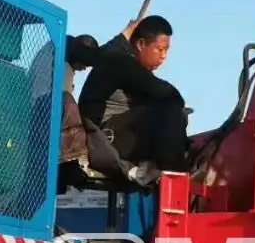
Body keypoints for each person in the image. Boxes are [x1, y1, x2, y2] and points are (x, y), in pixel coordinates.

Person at [77, 15, 188, 185]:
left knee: (175, 116)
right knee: (170, 112)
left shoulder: (129, 65)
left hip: (119, 134)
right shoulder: (120, 61)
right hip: (103, 139)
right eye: (159, 49)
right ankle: (175, 181)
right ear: (141, 44)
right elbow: (170, 94)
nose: (164, 56)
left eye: (167, 50)